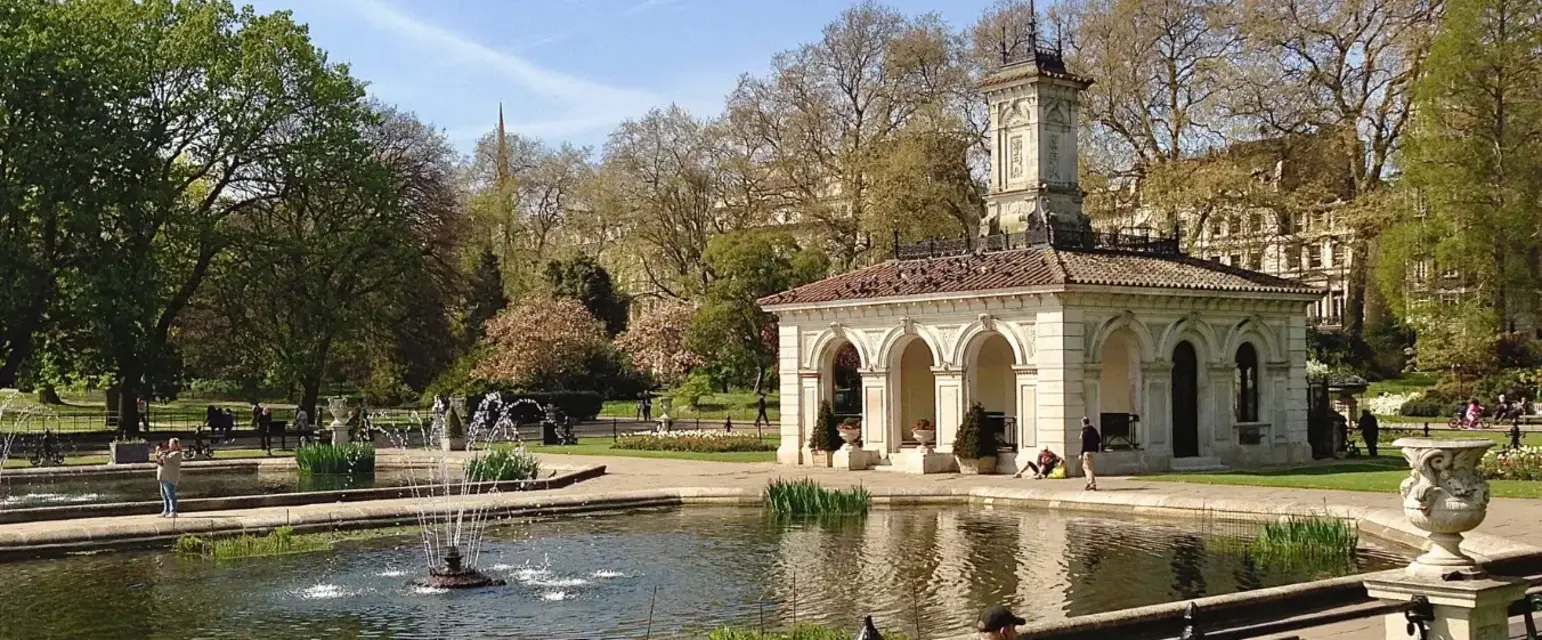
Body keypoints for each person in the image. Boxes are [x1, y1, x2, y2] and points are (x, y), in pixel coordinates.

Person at [155, 438, 183, 518]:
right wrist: (157, 453)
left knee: (170, 495)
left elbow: (167, 460)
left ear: (176, 445)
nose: (169, 445)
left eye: (171, 444)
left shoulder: (177, 454)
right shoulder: (167, 453)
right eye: (169, 443)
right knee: (164, 495)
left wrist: (162, 454)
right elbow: (160, 461)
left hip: (170, 477)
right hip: (163, 477)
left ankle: (173, 511)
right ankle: (166, 510)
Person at [1080, 416, 1101, 491]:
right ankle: (1090, 482)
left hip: (1087, 451)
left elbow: (1084, 443)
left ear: (1083, 423)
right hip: (1093, 451)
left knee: (1087, 468)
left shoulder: (1084, 430)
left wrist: (1081, 453)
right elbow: (1099, 439)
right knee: (1087, 467)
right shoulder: (1093, 429)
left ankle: (1092, 484)